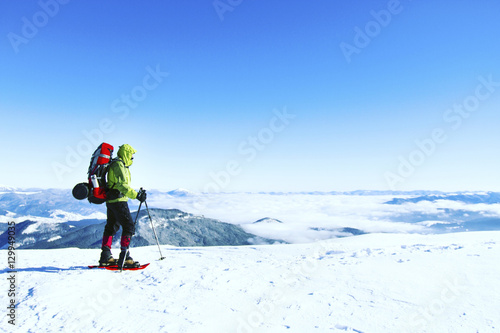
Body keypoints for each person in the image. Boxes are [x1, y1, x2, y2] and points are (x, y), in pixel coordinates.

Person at [98, 144, 147, 267]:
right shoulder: (119, 165)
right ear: (126, 153)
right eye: (131, 154)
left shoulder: (119, 164)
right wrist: (136, 195)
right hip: (119, 201)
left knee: (111, 227)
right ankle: (125, 257)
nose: (132, 157)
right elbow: (122, 185)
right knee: (129, 226)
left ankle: (106, 256)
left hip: (112, 200)